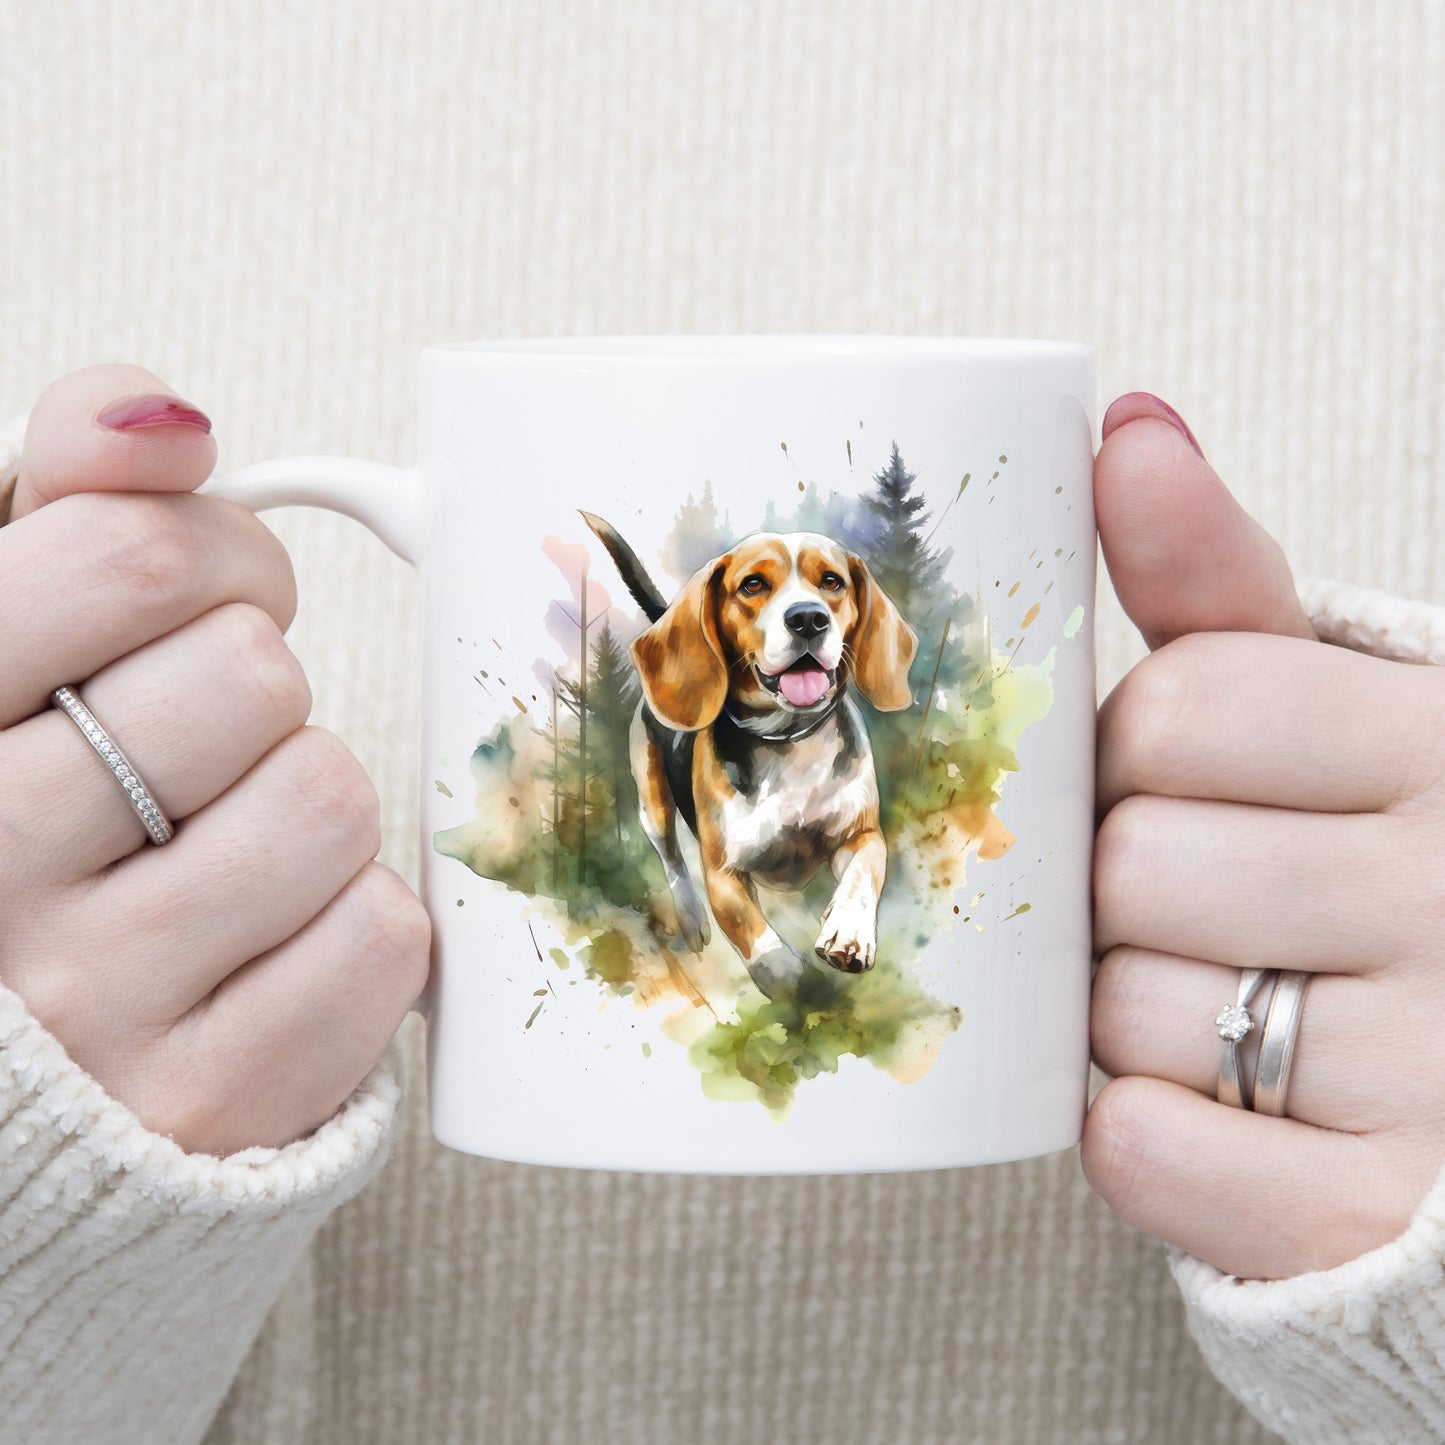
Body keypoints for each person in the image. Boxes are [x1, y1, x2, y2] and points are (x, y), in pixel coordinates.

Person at [1, 365, 1443, 1445]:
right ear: (717, 627)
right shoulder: (686, 698)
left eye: (821, 588)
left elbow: (865, 846)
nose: (801, 605)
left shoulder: (852, 716)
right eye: (767, 590)